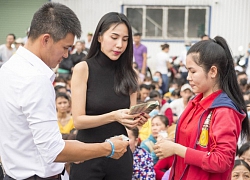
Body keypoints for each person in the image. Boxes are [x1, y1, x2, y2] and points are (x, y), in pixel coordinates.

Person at [0, 3, 129, 180]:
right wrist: (109, 148)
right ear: (46, 40)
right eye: (65, 47)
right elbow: (54, 150)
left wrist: (77, 150)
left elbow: (34, 138)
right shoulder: (36, 79)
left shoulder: (8, 69)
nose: (67, 55)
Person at [154, 36, 250, 180]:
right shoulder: (195, 102)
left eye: (193, 71)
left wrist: (176, 149)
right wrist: (172, 141)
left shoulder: (224, 111)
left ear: (212, 71)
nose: (188, 77)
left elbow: (221, 161)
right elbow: (195, 143)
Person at [70, 12, 149, 180]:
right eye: (114, 37)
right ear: (99, 37)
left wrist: (136, 120)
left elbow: (128, 122)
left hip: (120, 158)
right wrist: (114, 116)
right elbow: (78, 121)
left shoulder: (131, 75)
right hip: (87, 155)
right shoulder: (83, 69)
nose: (120, 44)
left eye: (125, 39)